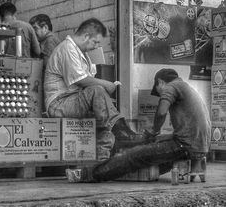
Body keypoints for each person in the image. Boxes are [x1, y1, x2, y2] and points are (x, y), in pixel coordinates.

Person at [65, 68, 211, 182]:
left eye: (158, 90)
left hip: (185, 145)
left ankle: (85, 174)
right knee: (149, 151)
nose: (160, 94)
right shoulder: (187, 87)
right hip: (199, 146)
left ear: (160, 82)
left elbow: (161, 112)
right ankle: (192, 166)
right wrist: (156, 137)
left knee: (132, 156)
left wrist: (154, 130)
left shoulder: (171, 87)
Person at [44, 18, 139, 161]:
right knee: (97, 90)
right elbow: (81, 80)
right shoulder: (67, 48)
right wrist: (107, 84)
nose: (96, 46)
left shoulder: (82, 53)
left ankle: (102, 162)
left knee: (103, 119)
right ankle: (121, 131)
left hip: (73, 101)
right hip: (59, 104)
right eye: (95, 42)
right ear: (86, 36)